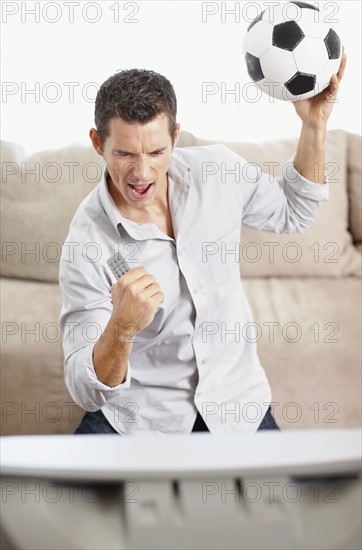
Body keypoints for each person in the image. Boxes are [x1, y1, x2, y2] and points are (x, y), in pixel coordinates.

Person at [59, 55, 346, 435]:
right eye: (125, 154)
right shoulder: (86, 244)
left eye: (156, 152)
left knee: (282, 496)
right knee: (60, 495)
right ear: (98, 143)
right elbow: (85, 390)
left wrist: (314, 124)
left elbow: (295, 211)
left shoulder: (218, 172)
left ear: (176, 136)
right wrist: (122, 327)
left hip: (236, 402)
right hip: (144, 418)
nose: (142, 174)